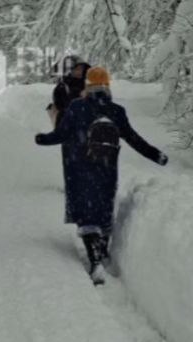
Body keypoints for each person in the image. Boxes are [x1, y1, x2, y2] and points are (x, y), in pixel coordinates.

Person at [35, 66, 168, 283]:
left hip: (78, 170)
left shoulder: (77, 107)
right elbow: (134, 139)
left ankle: (95, 260)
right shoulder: (116, 111)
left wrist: (42, 139)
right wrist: (156, 155)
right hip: (105, 170)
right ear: (107, 86)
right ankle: (102, 251)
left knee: (87, 217)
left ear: (88, 86)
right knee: (102, 213)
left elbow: (61, 134)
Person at [46, 54, 90, 128]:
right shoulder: (62, 87)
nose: (80, 72)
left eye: (82, 69)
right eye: (77, 69)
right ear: (70, 70)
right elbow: (60, 106)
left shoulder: (88, 84)